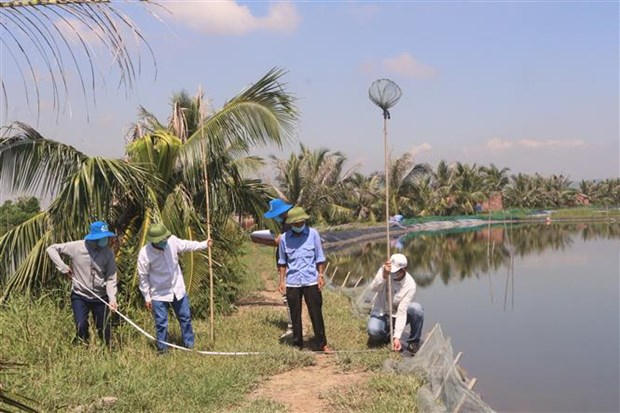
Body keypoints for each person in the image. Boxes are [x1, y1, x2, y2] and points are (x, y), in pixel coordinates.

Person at [138, 223, 212, 353]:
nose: (164, 242)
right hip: (158, 293)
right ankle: (162, 349)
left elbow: (187, 245)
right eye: (161, 240)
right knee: (161, 323)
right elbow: (143, 277)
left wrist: (204, 244)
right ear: (154, 241)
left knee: (185, 317)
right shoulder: (145, 254)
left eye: (165, 238)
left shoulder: (172, 241)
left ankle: (189, 345)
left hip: (177, 288)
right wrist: (147, 297)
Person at [46, 220, 118, 345]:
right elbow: (51, 249)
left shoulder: (108, 253)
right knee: (81, 325)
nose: (105, 240)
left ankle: (107, 352)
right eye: (102, 237)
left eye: (106, 237)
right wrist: (63, 267)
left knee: (104, 329)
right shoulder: (76, 247)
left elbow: (111, 278)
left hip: (100, 297)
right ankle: (83, 347)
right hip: (80, 295)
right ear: (94, 238)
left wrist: (112, 299)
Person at [277, 206, 331, 352]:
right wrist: (282, 281)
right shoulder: (284, 239)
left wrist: (320, 276)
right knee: (295, 313)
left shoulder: (313, 234)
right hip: (293, 280)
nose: (299, 226)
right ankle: (297, 344)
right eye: (296, 224)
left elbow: (320, 257)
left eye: (301, 222)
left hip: (311, 279)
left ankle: (321, 343)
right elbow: (282, 262)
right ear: (291, 224)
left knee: (316, 312)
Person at [251, 198, 295, 339]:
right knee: (288, 297)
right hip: (285, 265)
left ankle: (292, 327)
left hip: (289, 267)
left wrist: (259, 240)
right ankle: (293, 325)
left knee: (289, 297)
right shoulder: (286, 223)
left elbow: (280, 242)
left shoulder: (289, 224)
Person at [367, 253, 424, 354]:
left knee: (417, 309)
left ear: (404, 270)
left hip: (397, 314)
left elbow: (402, 311)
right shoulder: (385, 270)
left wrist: (397, 337)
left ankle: (413, 342)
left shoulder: (410, 285)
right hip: (381, 313)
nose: (392, 273)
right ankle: (385, 335)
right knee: (373, 330)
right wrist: (384, 275)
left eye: (396, 271)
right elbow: (373, 288)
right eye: (391, 270)